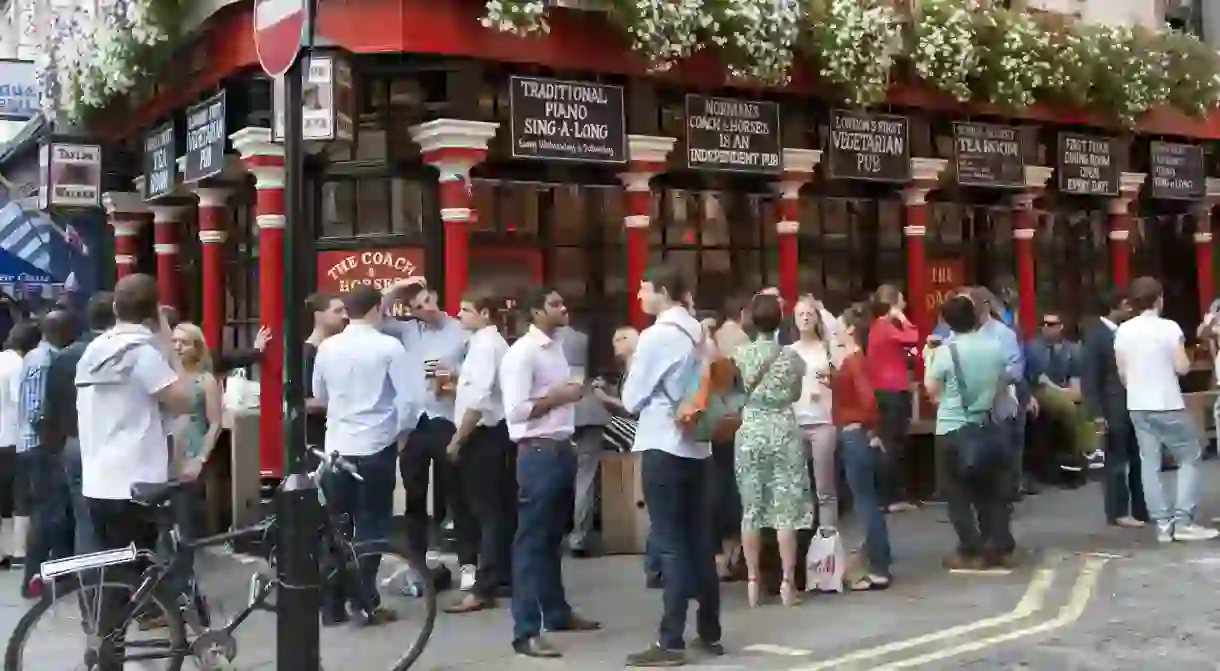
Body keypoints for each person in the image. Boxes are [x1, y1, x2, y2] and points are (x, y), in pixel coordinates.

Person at [76, 274, 196, 671]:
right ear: (153, 312)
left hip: (98, 480)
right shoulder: (141, 353)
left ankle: (110, 651)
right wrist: (167, 342)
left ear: (114, 309)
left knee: (116, 572)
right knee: (137, 573)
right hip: (135, 481)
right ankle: (119, 650)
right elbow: (183, 401)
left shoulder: (95, 350)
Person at [621, 266, 721, 666]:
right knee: (699, 540)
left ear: (663, 291)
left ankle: (671, 640)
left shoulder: (655, 336)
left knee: (671, 542)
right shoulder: (698, 331)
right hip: (699, 444)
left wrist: (632, 364)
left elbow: (631, 398)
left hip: (664, 442)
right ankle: (709, 631)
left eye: (644, 288)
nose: (639, 294)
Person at [312, 284, 424, 625]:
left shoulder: (328, 347)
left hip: (336, 447)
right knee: (372, 526)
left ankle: (331, 605)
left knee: (335, 528)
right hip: (376, 446)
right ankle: (364, 600)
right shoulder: (389, 347)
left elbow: (320, 394)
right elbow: (410, 400)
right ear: (377, 308)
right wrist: (399, 433)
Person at [500, 286, 600, 658]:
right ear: (535, 312)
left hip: (561, 446)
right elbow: (516, 410)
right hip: (537, 450)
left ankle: (555, 611)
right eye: (554, 304)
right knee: (530, 541)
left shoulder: (558, 347)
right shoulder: (522, 355)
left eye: (562, 301)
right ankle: (525, 629)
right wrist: (559, 397)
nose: (563, 308)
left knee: (551, 537)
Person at [1114, 277, 1218, 543]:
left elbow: (1123, 373)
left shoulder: (1123, 331)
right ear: (1159, 299)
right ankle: (1183, 521)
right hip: (1166, 401)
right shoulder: (1169, 328)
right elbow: (1182, 367)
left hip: (1137, 404)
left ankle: (1162, 524)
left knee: (1150, 462)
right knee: (1190, 455)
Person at [381, 279, 469, 591]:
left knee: (457, 492)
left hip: (446, 417)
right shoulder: (407, 331)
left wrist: (453, 378)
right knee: (414, 497)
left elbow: (475, 374)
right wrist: (395, 291)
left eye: (427, 300)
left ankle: (468, 561)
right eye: (417, 306)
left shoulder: (459, 330)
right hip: (414, 422)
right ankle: (417, 562)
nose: (425, 309)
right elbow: (375, 318)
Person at [731, 293, 809, 609]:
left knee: (751, 509)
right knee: (785, 509)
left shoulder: (739, 355)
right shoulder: (792, 358)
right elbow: (795, 393)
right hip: (784, 430)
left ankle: (752, 580)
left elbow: (734, 391)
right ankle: (788, 583)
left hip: (750, 430)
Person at [925, 295, 1013, 570]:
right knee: (990, 491)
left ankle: (969, 548)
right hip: (987, 425)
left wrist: (929, 357)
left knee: (956, 493)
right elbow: (1002, 383)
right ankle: (994, 544)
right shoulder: (994, 347)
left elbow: (932, 389)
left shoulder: (944, 352)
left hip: (952, 428)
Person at [445, 291, 514, 614]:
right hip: (486, 432)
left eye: (465, 309)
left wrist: (459, 438)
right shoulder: (482, 344)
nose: (459, 315)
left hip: (484, 434)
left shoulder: (487, 346)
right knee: (494, 510)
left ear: (485, 313)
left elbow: (481, 399)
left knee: (487, 512)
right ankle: (502, 575)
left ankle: (485, 585)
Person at [43, 293, 115, 557]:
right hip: (108, 442)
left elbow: (51, 404)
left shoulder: (63, 357)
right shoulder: (114, 353)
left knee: (84, 520)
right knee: (119, 522)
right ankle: (117, 586)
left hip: (73, 442)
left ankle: (90, 590)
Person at [18, 308, 76, 598]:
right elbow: (37, 411)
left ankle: (56, 575)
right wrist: (54, 445)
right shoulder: (43, 360)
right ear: (60, 331)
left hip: (41, 446)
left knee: (54, 513)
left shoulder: (40, 356)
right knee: (47, 514)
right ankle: (34, 577)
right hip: (41, 448)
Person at [833, 304, 891, 589]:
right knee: (868, 501)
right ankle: (877, 561)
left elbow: (868, 401)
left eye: (840, 326)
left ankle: (879, 565)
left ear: (851, 330)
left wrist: (865, 424)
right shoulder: (857, 358)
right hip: (858, 434)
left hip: (853, 433)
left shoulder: (853, 360)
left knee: (865, 503)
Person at [1080, 291, 1147, 528]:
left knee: (1139, 458)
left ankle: (1142, 509)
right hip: (1111, 406)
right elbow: (1090, 377)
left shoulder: (1126, 331)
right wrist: (1096, 413)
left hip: (1133, 403)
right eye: (1126, 305)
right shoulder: (1096, 334)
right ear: (1115, 307)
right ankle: (1118, 511)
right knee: (1116, 462)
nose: (1130, 310)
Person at [968, 286, 1034, 499]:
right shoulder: (959, 333)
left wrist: (994, 382)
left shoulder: (1003, 333)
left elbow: (1015, 369)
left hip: (999, 404)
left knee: (1002, 455)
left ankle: (1004, 500)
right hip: (969, 407)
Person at [557, 323, 612, 557]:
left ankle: (554, 532)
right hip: (588, 410)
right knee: (585, 479)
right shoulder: (582, 338)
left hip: (558, 412)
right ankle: (579, 538)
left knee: (555, 477)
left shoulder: (542, 343)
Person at [866, 284, 920, 512]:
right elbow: (913, 337)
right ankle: (891, 498)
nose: (905, 304)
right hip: (891, 391)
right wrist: (904, 319)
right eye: (901, 301)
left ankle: (891, 496)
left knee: (892, 442)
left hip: (887, 389)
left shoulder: (879, 328)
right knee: (892, 444)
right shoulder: (885, 326)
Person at [790, 295, 838, 532]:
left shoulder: (826, 348)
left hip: (823, 421)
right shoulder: (789, 351)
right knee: (799, 487)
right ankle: (804, 541)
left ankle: (828, 540)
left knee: (825, 488)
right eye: (801, 314)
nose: (806, 318)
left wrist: (829, 382)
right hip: (796, 421)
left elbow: (841, 382)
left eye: (810, 314)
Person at [1025, 310, 1094, 476]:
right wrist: (1064, 392)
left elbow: (1075, 375)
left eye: (1051, 324)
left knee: (1086, 404)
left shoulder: (1072, 348)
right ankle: (1077, 455)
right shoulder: (1034, 347)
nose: (1046, 328)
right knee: (1067, 407)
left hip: (1064, 388)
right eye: (1044, 324)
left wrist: (1075, 390)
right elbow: (1040, 378)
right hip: (1042, 390)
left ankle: (1088, 452)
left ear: (1061, 326)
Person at [0, 322, 39, 569]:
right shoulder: (19, 366)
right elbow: (20, 401)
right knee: (19, 495)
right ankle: (18, 551)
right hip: (12, 438)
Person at [302, 292, 349, 452]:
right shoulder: (309, 353)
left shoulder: (340, 348)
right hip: (319, 436)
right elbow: (307, 402)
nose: (344, 316)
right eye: (338, 311)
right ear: (319, 316)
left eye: (345, 310)